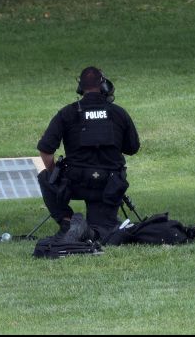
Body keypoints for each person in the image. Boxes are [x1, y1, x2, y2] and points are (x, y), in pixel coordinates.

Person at [37, 67, 140, 242]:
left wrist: (55, 173)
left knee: (45, 178)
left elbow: (46, 150)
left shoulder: (67, 113)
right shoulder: (118, 113)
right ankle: (87, 230)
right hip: (109, 186)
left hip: (75, 183)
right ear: (104, 86)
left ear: (80, 88)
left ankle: (67, 222)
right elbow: (133, 148)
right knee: (101, 232)